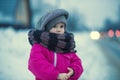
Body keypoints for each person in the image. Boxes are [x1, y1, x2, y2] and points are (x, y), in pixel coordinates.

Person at [28, 9, 83, 80]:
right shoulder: (40, 46)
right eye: (54, 26)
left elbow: (77, 61)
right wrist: (56, 75)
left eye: (61, 26)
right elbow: (36, 64)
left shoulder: (66, 46)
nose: (58, 29)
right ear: (47, 28)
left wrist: (73, 71)